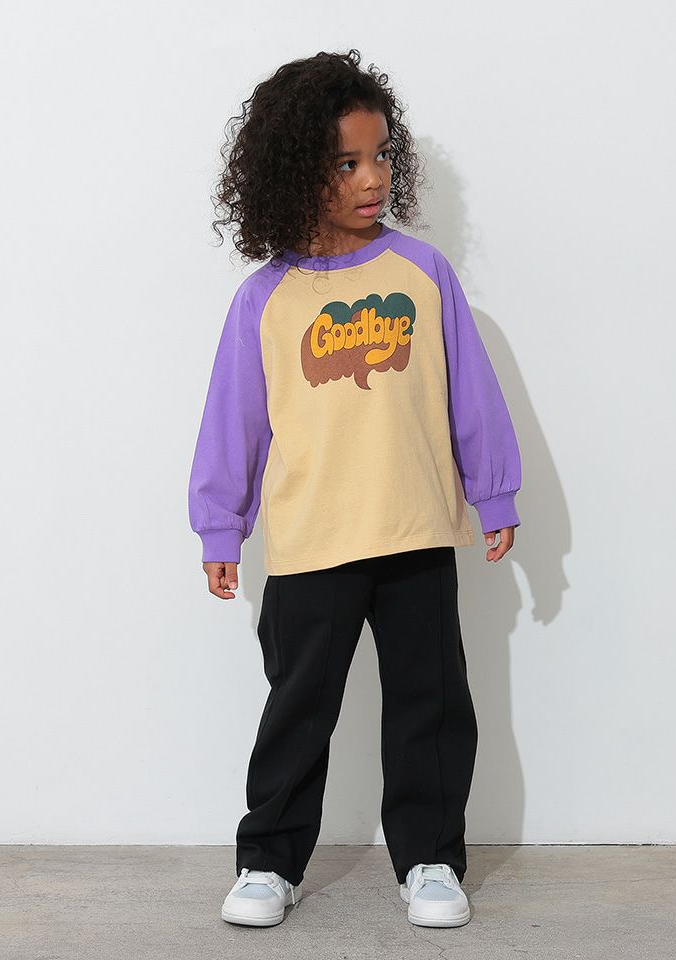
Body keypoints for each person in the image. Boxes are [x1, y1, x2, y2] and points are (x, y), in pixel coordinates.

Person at [187, 49, 522, 929]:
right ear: (294, 169)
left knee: (430, 703)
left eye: (380, 157)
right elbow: (234, 422)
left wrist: (494, 493)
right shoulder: (267, 299)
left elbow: (470, 393)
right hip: (312, 540)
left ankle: (431, 859)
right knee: (298, 710)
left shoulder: (422, 273)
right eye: (345, 163)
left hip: (415, 530)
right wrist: (221, 527)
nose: (372, 179)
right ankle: (269, 862)